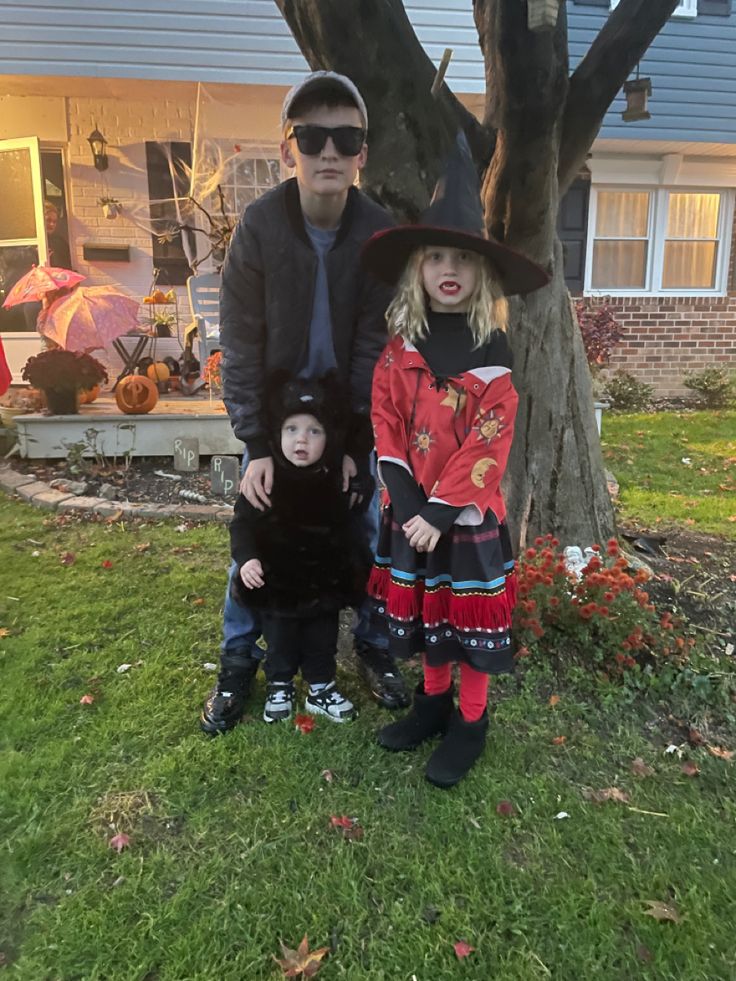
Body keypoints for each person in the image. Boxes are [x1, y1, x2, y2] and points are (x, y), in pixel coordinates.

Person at [200, 71, 410, 735]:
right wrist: (256, 444)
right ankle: (239, 659)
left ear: (362, 154)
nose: (328, 151)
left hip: (347, 419)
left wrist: (353, 444)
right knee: (258, 529)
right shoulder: (260, 229)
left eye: (344, 138)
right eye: (312, 136)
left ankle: (372, 648)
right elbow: (242, 340)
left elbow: (374, 345)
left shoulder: (379, 233)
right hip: (277, 420)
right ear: (288, 147)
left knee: (367, 532)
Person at [361, 134, 549, 788]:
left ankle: (470, 723)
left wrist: (440, 510)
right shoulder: (399, 348)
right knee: (424, 614)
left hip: (464, 521)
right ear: (418, 268)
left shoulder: (490, 353)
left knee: (465, 624)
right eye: (435, 255)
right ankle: (430, 704)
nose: (448, 267)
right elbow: (385, 419)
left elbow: (489, 441)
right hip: (412, 514)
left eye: (462, 258)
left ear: (481, 273)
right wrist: (409, 503)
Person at [230, 371, 374, 724]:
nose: (301, 440)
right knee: (280, 641)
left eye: (314, 431)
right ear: (277, 434)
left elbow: (348, 529)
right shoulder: (266, 481)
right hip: (277, 585)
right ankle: (279, 685)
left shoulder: (334, 480)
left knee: (321, 640)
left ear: (330, 439)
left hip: (322, 585)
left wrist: (356, 571)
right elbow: (242, 525)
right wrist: (247, 559)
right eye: (292, 430)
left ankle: (321, 688)